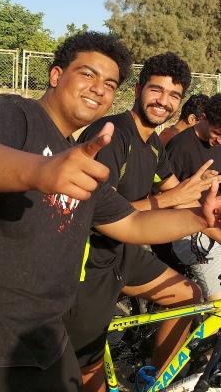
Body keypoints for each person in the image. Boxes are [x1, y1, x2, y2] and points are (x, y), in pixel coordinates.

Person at [0, 35, 220, 392]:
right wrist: (40, 171)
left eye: (109, 83)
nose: (98, 89)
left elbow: (131, 221)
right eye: (87, 74)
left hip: (46, 341)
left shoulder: (78, 156)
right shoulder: (13, 112)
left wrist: (200, 219)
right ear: (56, 75)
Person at [64, 52, 221, 392]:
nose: (163, 102)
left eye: (173, 95)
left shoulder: (152, 144)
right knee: (89, 375)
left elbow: (184, 198)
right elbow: (94, 214)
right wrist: (168, 201)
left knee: (188, 295)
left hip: (124, 254)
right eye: (156, 90)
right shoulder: (111, 135)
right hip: (88, 262)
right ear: (138, 89)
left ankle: (151, 379)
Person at [166, 93, 221, 300]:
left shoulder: (218, 144)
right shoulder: (180, 147)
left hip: (212, 219)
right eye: (217, 133)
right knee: (217, 304)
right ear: (203, 118)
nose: (220, 140)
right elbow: (167, 198)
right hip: (186, 228)